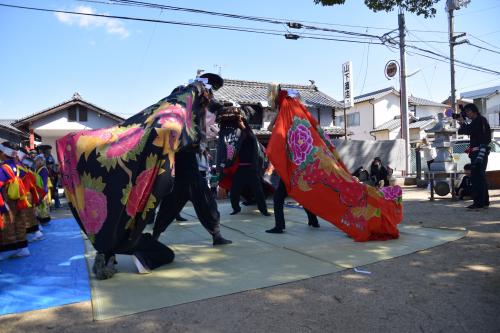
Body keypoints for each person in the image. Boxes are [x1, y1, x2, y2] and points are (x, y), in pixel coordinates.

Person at [152, 73, 232, 246]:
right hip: (186, 156)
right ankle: (216, 235)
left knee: (175, 198)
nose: (212, 95)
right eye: (213, 90)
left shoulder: (190, 98)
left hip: (185, 157)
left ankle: (155, 235)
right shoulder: (192, 96)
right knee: (203, 198)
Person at [228, 112, 270, 216]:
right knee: (234, 190)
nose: (239, 125)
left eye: (241, 123)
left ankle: (263, 210)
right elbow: (230, 147)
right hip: (240, 169)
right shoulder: (237, 137)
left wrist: (243, 126)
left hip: (252, 168)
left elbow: (251, 138)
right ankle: (236, 208)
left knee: (258, 191)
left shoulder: (251, 136)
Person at [457, 103, 491, 210]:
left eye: (468, 112)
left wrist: (462, 123)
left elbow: (465, 130)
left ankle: (478, 203)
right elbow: (468, 130)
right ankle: (484, 201)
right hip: (480, 151)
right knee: (480, 178)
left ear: (474, 111)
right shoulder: (480, 121)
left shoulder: (479, 120)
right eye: (466, 112)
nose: (467, 114)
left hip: (479, 152)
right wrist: (463, 123)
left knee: (476, 178)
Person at [0, 142, 30, 260]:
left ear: (4, 154)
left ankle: (10, 248)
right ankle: (23, 248)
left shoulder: (3, 169)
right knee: (19, 220)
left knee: (7, 223)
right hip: (19, 197)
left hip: (7, 198)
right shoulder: (20, 167)